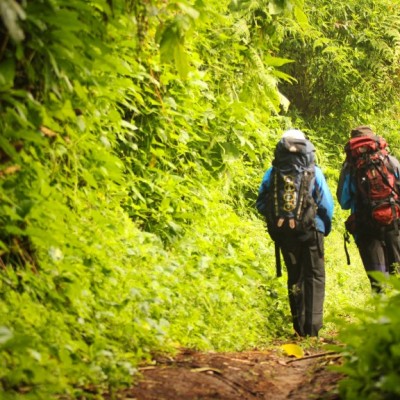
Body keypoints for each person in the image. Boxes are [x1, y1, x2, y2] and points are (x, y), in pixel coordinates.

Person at [256, 129, 334, 337]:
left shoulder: (273, 172)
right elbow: (326, 203)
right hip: (312, 230)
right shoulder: (314, 171)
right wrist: (324, 227)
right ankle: (312, 328)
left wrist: (278, 222)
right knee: (315, 276)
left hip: (284, 232)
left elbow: (261, 202)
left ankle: (299, 327)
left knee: (295, 276)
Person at [337, 125, 400, 292]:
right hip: (393, 223)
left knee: (378, 283)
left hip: (366, 229)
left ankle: (381, 315)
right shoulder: (390, 161)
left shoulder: (351, 167)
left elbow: (344, 202)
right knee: (398, 276)